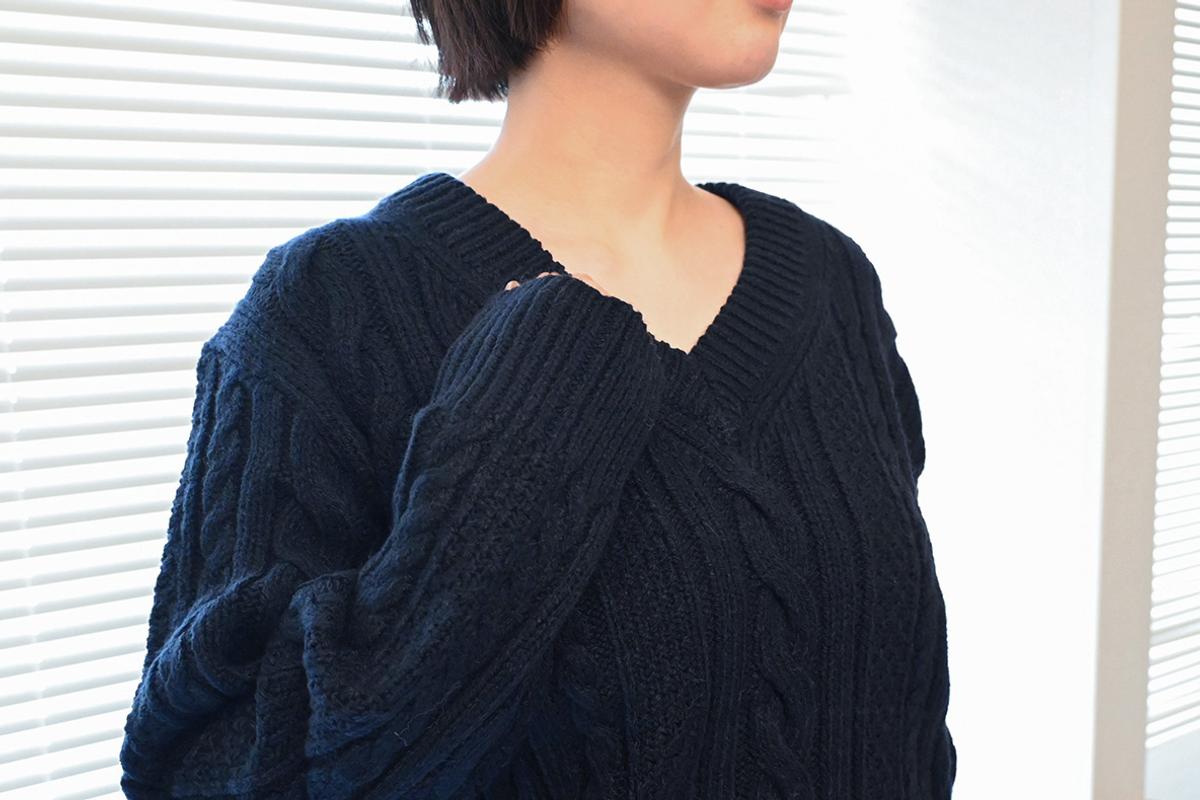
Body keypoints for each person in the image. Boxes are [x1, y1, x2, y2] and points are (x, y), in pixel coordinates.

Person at [119, 1, 956, 798]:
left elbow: (902, 731)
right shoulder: (331, 305)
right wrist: (522, 424)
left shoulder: (829, 280)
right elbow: (210, 771)